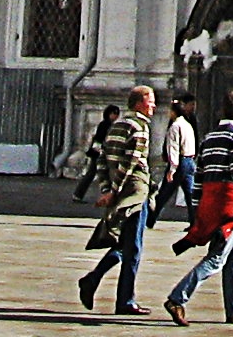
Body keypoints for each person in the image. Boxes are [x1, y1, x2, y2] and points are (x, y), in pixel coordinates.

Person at [164, 86, 233, 325]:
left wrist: (197, 208)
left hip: (209, 201)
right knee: (217, 259)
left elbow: (199, 176)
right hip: (227, 205)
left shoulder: (209, 138)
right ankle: (178, 297)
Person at [79, 86, 158, 313]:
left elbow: (102, 160)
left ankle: (94, 281)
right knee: (133, 248)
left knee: (124, 244)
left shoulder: (117, 126)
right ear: (139, 104)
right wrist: (114, 190)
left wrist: (107, 188)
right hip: (134, 193)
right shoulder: (140, 128)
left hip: (119, 193)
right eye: (150, 101)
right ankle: (123, 300)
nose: (154, 105)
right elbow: (131, 162)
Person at [155, 95, 198, 221]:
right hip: (189, 161)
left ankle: (151, 218)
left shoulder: (175, 126)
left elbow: (173, 148)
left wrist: (172, 168)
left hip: (180, 162)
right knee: (190, 194)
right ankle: (194, 220)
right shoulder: (187, 124)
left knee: (164, 193)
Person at [73, 104, 121, 203]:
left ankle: (79, 194)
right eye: (114, 113)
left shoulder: (106, 124)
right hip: (100, 152)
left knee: (95, 173)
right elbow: (101, 139)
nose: (116, 116)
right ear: (109, 114)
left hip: (99, 151)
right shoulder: (106, 125)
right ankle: (78, 194)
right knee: (93, 173)